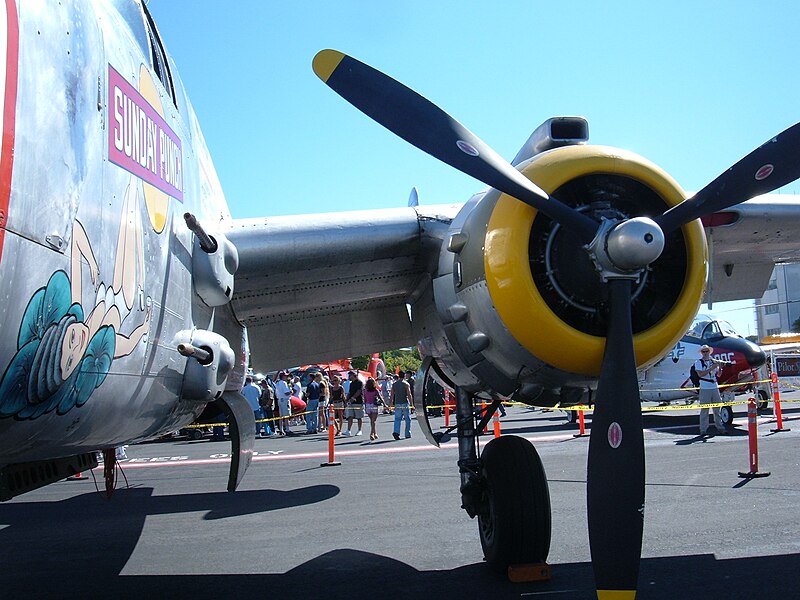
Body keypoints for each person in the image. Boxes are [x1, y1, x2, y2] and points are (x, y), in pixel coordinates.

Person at [695, 345, 726, 435]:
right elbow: (700, 374)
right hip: (705, 387)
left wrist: (720, 367)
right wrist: (712, 368)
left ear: (709, 352)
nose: (705, 353)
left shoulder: (713, 361)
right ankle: (703, 429)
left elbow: (718, 375)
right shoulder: (698, 362)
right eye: (703, 352)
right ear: (701, 353)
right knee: (705, 410)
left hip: (714, 386)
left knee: (717, 409)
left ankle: (720, 427)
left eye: (706, 351)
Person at [391, 372, 413, 439]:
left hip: (397, 403)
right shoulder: (406, 384)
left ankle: (396, 431)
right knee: (407, 419)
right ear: (404, 376)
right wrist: (412, 404)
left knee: (397, 419)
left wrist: (391, 403)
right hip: (404, 402)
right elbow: (409, 394)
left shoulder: (394, 384)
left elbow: (392, 395)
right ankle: (407, 433)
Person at [343, 371, 364, 436]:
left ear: (354, 375)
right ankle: (348, 430)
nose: (349, 377)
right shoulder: (351, 383)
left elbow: (359, 391)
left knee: (359, 417)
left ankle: (359, 430)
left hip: (358, 402)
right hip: (351, 402)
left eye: (350, 375)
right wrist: (347, 399)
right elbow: (350, 392)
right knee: (350, 416)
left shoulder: (359, 383)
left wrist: (353, 398)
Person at [274, 371, 293, 435]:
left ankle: (281, 429)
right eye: (286, 376)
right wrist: (291, 391)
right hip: (285, 399)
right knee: (286, 415)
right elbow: (286, 392)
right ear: (283, 376)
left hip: (279, 399)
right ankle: (287, 429)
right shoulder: (284, 383)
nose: (287, 377)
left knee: (281, 416)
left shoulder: (278, 383)